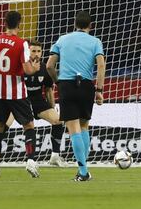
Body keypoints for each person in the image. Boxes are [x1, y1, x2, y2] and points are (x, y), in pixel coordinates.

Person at [0, 40, 67, 168]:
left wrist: (52, 106)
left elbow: (49, 90)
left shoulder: (45, 68)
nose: (36, 54)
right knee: (3, 126)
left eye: (39, 51)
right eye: (33, 51)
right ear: (28, 52)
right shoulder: (21, 67)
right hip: (19, 101)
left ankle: (55, 156)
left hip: (38, 101)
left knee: (58, 120)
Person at [0, 11, 40, 178]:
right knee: (28, 126)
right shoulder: (22, 43)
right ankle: (30, 160)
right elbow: (27, 70)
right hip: (17, 93)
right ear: (19, 23)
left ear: (4, 23)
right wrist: (34, 68)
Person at [46, 11, 105, 181]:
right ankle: (84, 169)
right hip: (86, 85)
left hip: (67, 85)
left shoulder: (63, 39)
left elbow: (50, 65)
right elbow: (101, 65)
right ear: (90, 25)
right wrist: (99, 91)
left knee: (73, 128)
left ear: (75, 24)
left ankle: (83, 172)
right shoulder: (95, 41)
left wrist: (58, 82)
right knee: (84, 126)